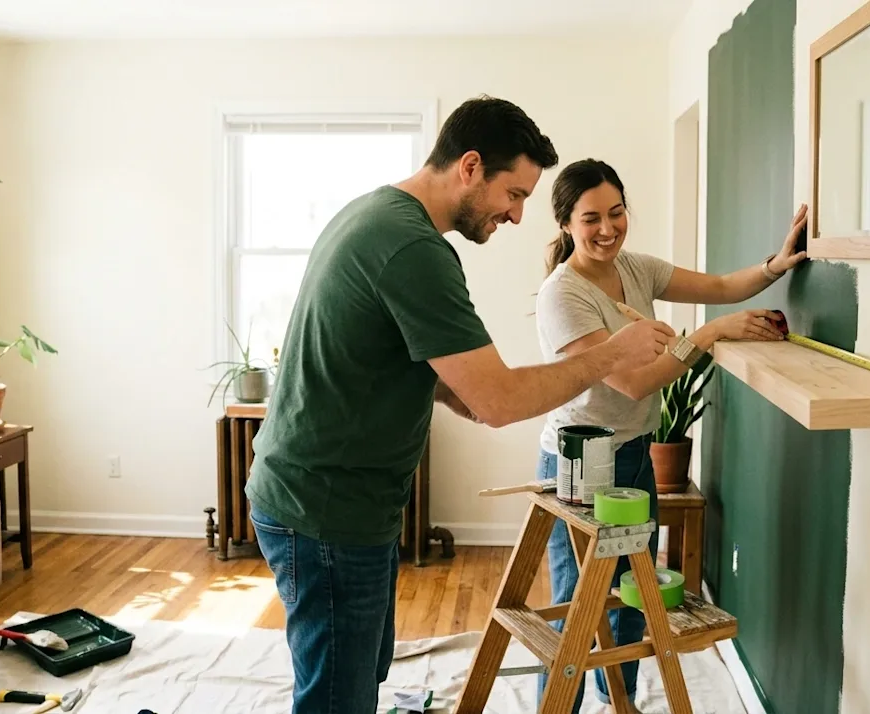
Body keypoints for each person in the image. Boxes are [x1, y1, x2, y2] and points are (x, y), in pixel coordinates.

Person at [243, 98, 677, 714]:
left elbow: (406, 355)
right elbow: (499, 401)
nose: (519, 215)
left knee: (357, 673)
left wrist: (462, 392)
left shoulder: (375, 213)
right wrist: (612, 351)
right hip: (327, 511)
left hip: (325, 500)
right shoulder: (413, 248)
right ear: (470, 167)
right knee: (336, 696)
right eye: (515, 194)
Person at [533, 158, 808, 712]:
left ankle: (621, 702)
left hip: (633, 453)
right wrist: (706, 334)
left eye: (616, 213)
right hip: (581, 464)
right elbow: (633, 384)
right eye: (591, 219)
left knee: (633, 593)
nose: (607, 229)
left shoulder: (636, 268)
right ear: (565, 224)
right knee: (577, 604)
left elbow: (723, 285)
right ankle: (555, 706)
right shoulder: (563, 296)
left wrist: (776, 265)